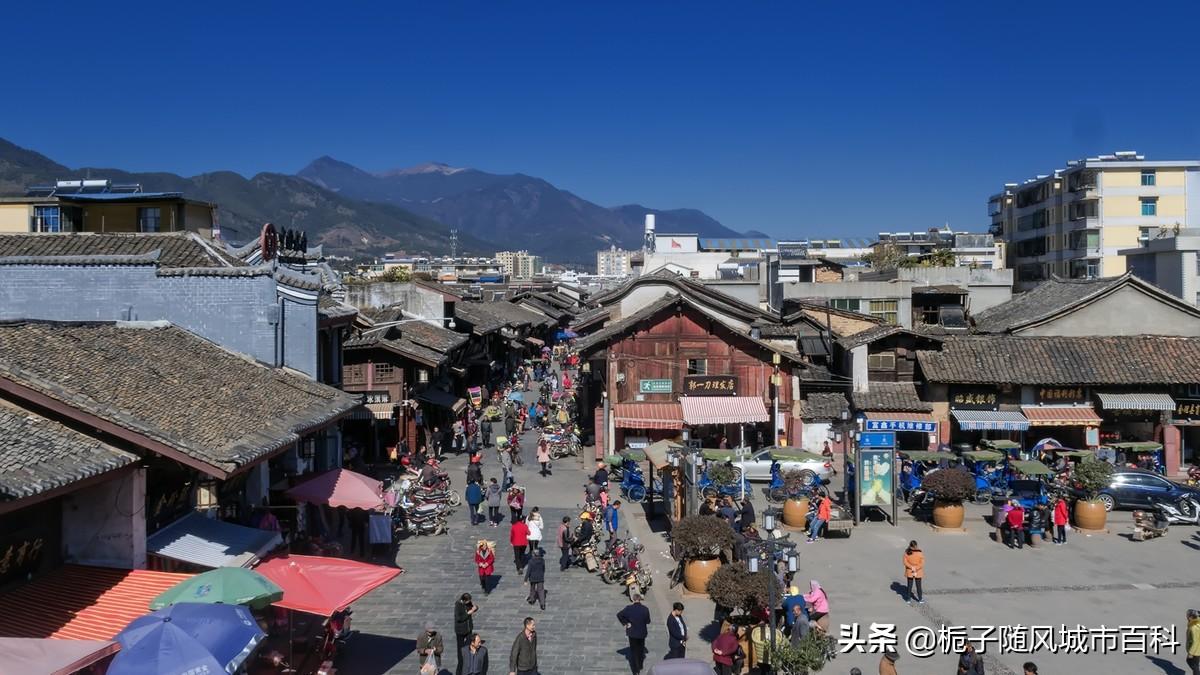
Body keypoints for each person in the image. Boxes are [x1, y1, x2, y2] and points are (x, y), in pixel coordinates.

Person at [617, 593, 651, 675]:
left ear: (633, 599)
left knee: (634, 651)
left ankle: (636, 670)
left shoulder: (628, 608)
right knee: (641, 649)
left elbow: (619, 615)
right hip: (642, 633)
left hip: (632, 633)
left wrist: (626, 623)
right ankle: (640, 665)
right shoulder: (645, 609)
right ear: (640, 599)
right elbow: (648, 621)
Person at [454, 594, 478, 675]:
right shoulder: (458, 606)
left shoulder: (468, 603)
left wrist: (475, 608)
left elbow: (474, 607)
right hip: (460, 631)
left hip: (468, 629)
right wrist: (468, 613)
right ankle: (460, 670)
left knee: (468, 647)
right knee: (461, 651)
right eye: (468, 601)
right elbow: (459, 618)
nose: (469, 602)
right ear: (464, 600)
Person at [903, 540, 925, 604]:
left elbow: (905, 562)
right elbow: (922, 562)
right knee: (918, 586)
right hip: (918, 571)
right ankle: (920, 599)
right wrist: (916, 567)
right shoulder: (919, 552)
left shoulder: (907, 552)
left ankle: (908, 599)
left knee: (909, 585)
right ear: (916, 545)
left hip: (910, 571)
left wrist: (911, 567)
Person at [1188, 609, 1200, 675]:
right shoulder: (1196, 624)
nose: (1187, 617)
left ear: (1191, 617)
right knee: (1194, 664)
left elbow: (1195, 641)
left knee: (1194, 665)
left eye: (1188, 616)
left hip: (1196, 650)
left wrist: (1191, 653)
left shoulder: (1194, 627)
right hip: (1197, 649)